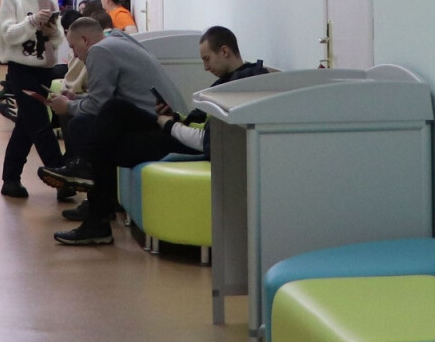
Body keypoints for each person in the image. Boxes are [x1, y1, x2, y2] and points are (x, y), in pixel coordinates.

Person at [40, 18, 190, 245]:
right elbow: (103, 100)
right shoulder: (119, 40)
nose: (75, 55)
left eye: (73, 47)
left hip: (165, 131)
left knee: (84, 126)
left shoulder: (99, 51)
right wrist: (77, 100)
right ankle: (94, 197)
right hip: (163, 126)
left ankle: (90, 192)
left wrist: (68, 107)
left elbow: (99, 105)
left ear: (85, 40)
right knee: (96, 131)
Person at [0, 0, 71, 200]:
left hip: (45, 69)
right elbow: (7, 34)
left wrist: (52, 32)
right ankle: (61, 176)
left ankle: (10, 178)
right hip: (21, 69)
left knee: (27, 124)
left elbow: (58, 40)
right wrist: (32, 21)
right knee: (39, 124)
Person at [156, 26, 272, 157]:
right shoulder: (227, 83)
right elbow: (202, 122)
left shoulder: (241, 86)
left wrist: (170, 125)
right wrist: (176, 118)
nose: (206, 67)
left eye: (207, 59)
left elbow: (210, 141)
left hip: (211, 153)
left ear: (224, 52)